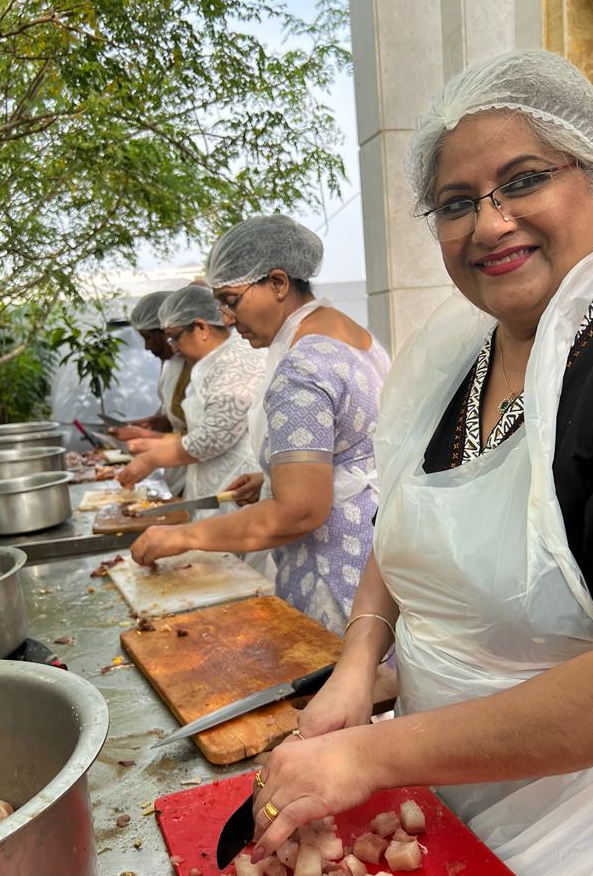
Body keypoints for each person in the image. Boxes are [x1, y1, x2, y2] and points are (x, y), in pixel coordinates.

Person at [247, 51, 593, 876]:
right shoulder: (456, 359)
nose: (490, 222)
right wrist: (360, 664)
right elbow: (406, 528)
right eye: (455, 201)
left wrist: (374, 753)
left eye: (523, 180)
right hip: (448, 799)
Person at [129, 215, 390, 633]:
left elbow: (299, 511)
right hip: (373, 550)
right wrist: (269, 478)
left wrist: (182, 538)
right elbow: (348, 448)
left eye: (231, 300)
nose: (227, 319)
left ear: (278, 283)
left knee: (336, 685)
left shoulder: (302, 367)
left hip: (335, 570)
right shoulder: (351, 334)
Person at [118, 285, 265, 516]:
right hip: (215, 487)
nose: (173, 348)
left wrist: (151, 458)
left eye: (174, 338)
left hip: (237, 487)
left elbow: (214, 436)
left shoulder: (237, 361)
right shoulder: (210, 363)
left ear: (201, 327)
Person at [110, 290, 192, 495]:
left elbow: (209, 435)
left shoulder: (206, 365)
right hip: (182, 469)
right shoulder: (172, 365)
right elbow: (182, 415)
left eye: (149, 337)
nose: (147, 347)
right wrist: (156, 422)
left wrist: (148, 438)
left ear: (167, 330)